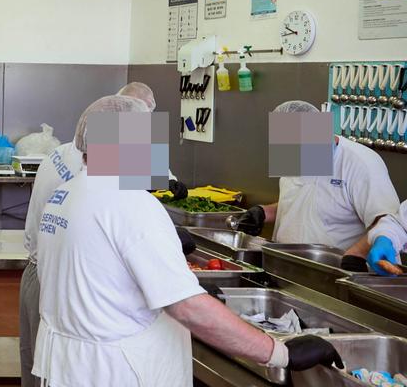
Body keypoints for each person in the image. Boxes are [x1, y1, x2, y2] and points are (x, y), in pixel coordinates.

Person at [32, 95, 343, 386]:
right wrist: (280, 353)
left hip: (73, 369)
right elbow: (188, 308)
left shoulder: (67, 194)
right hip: (119, 372)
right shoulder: (129, 202)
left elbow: (96, 278)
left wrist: (178, 281)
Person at [17, 83, 188, 386]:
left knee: (39, 368)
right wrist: (274, 352)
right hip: (68, 287)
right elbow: (183, 302)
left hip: (45, 274)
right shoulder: (110, 190)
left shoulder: (68, 159)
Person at [236, 100, 398, 271]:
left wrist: (357, 255)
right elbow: (301, 201)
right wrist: (263, 212)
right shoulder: (293, 152)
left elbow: (387, 221)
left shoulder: (361, 164)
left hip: (336, 271)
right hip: (286, 266)